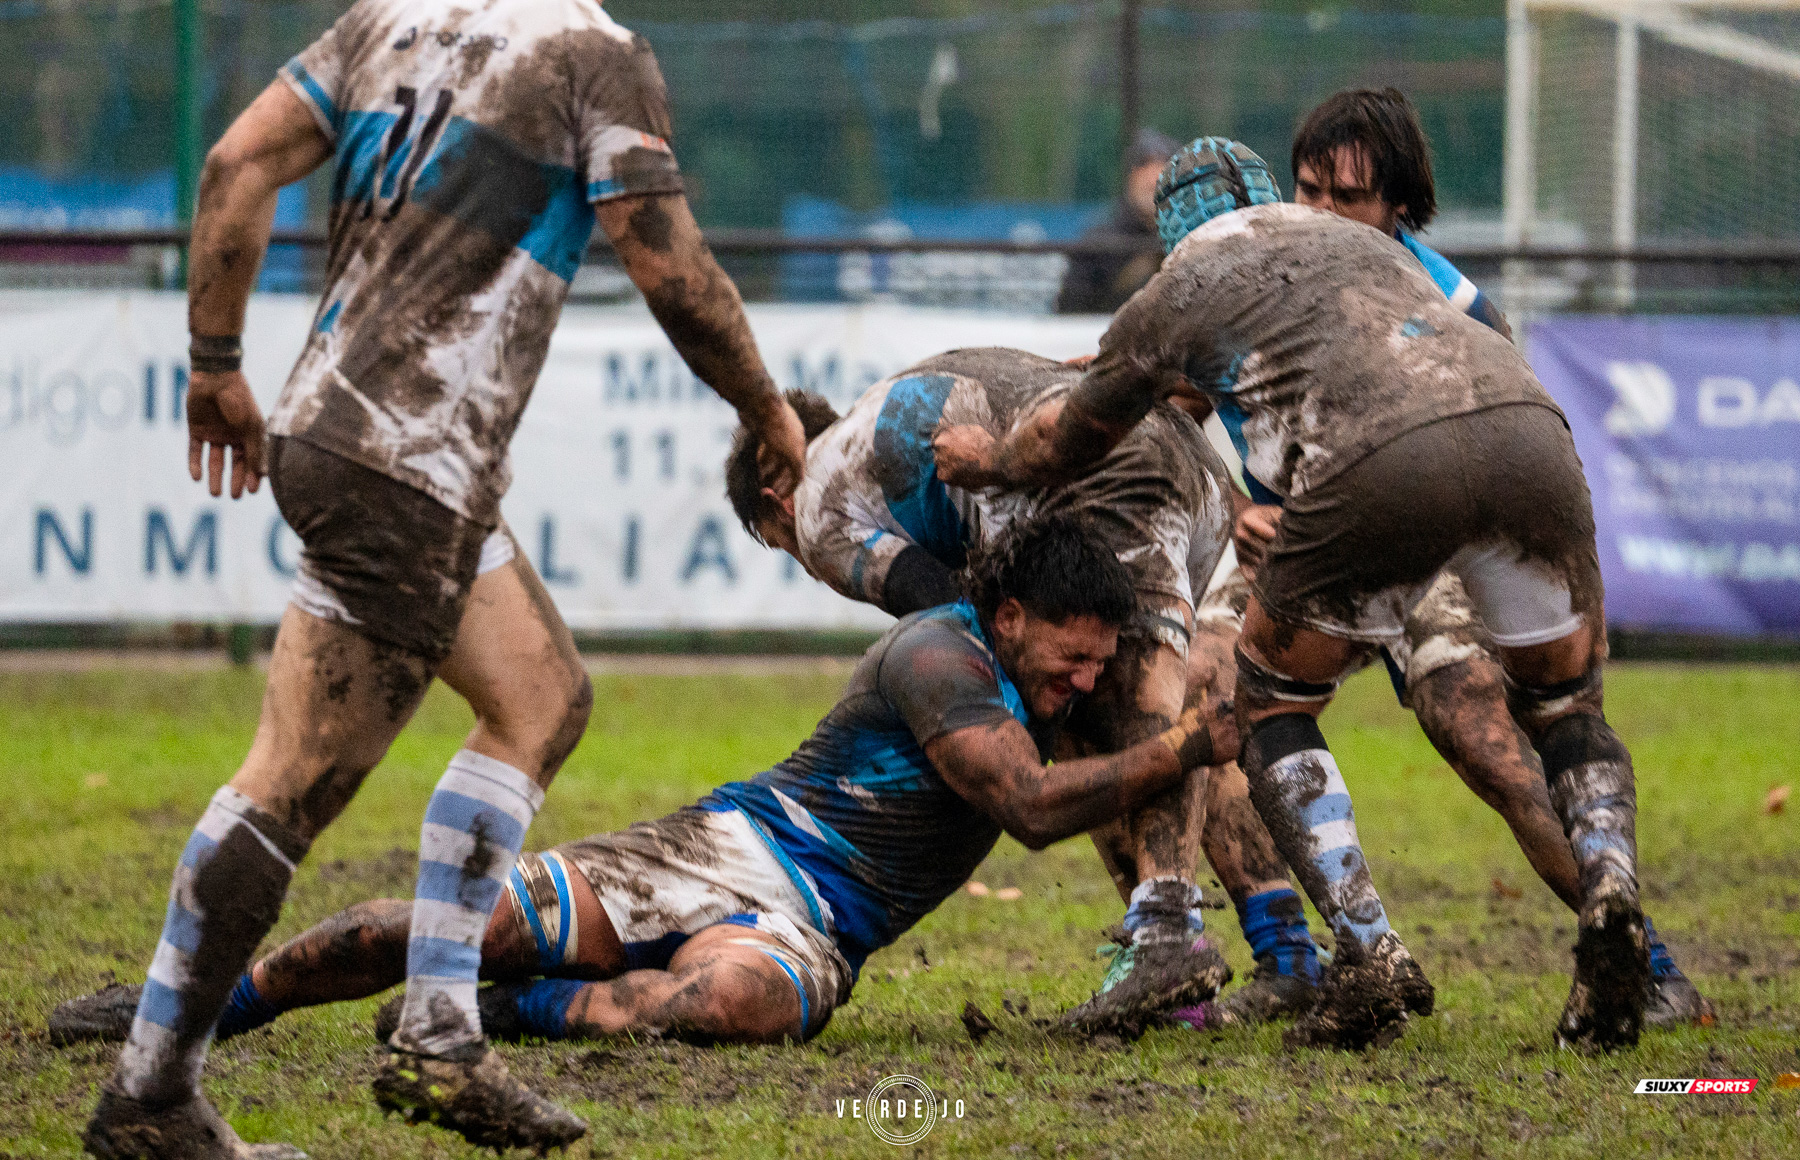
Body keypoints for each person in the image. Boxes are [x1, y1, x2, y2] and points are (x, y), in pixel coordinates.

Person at [82, 1, 808, 1156]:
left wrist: (216, 360)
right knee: (289, 781)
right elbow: (663, 257)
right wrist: (767, 406)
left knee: (541, 696)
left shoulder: (390, 19)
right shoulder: (594, 56)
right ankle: (151, 1096)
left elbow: (235, 160)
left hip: (349, 433)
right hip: (407, 465)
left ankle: (438, 1027)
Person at [932, 138, 1653, 1054]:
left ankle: (1366, 952)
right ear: (1277, 196)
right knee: (1564, 709)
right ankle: (1613, 894)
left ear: (1171, 237)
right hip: (1529, 434)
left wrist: (991, 457)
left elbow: (1074, 434)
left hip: (1381, 466)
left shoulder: (1182, 291)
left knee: (1266, 706)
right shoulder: (1362, 244)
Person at [53, 518, 1225, 1055]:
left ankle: (530, 1010)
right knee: (477, 921)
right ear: (1009, 615)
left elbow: (1106, 770)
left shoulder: (1057, 685)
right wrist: (1184, 746)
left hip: (821, 930)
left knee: (729, 1009)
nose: (1086, 677)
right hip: (732, 846)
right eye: (1072, 651)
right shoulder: (941, 652)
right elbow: (1024, 804)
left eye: (1097, 658)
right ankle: (198, 1003)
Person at [723, 347, 1325, 1034]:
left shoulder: (820, 506)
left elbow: (956, 620)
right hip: (1189, 466)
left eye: (780, 542)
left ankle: (1167, 942)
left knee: (1116, 714)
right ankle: (1286, 954)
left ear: (776, 495)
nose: (805, 561)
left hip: (1107, 479)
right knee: (1134, 717)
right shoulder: (887, 416)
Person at [1271, 87, 1708, 1028]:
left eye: (1344, 198)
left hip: (1427, 550)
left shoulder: (1447, 293)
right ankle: (1286, 955)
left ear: (1398, 208)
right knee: (1214, 704)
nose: (1320, 214)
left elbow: (1506, 425)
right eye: (1307, 189)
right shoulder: (1268, 277)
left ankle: (1646, 961)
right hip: (1318, 538)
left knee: (1499, 757)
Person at [1055, 127, 1179, 314]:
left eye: (1164, 165)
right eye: (1143, 165)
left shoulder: (1189, 239)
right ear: (1129, 177)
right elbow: (1072, 315)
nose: (1153, 177)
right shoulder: (1097, 244)